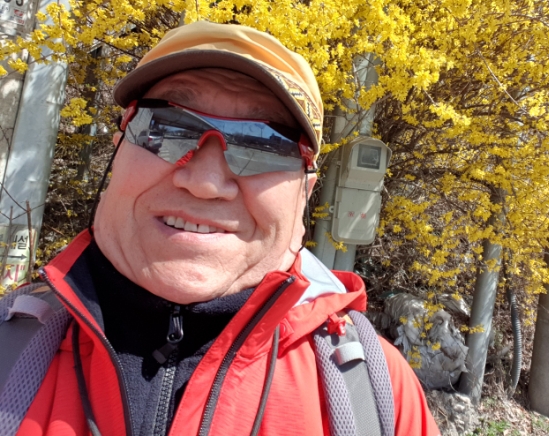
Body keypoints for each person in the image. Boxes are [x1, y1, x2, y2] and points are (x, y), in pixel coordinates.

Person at [13, 22, 440, 436]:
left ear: (303, 197)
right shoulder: (10, 354)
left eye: (265, 143)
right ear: (118, 150)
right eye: (168, 127)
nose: (205, 182)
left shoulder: (374, 397)